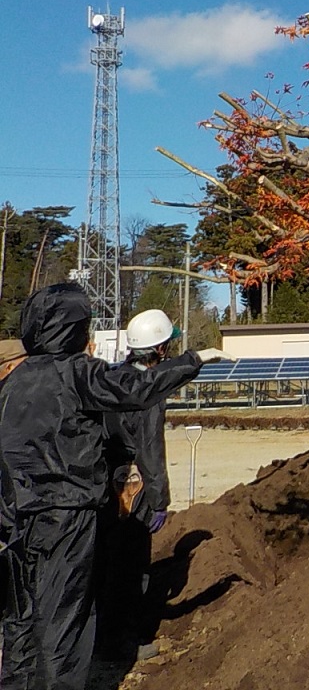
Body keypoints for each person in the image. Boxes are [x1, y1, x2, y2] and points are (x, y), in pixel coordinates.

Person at [0, 284, 220, 689]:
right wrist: (192, 361)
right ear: (73, 330)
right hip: (68, 515)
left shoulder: (15, 382)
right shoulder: (76, 373)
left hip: (19, 519)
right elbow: (136, 389)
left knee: (22, 619)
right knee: (64, 620)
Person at [96, 309, 201, 662]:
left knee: (105, 560)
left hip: (104, 483)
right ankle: (124, 642)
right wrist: (159, 500)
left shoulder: (112, 377)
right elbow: (150, 448)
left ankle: (98, 636)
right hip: (134, 485)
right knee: (132, 565)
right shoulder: (148, 391)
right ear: (159, 349)